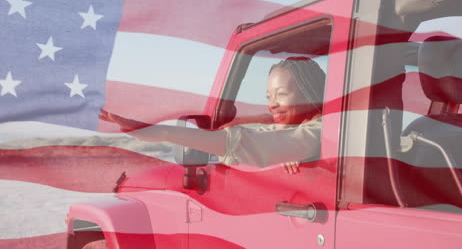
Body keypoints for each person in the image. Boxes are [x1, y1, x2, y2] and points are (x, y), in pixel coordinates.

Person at [100, 57, 326, 174]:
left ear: (310, 93)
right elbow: (265, 136)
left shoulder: (319, 131)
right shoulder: (303, 130)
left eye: (282, 94)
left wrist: (163, 131)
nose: (271, 105)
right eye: (268, 97)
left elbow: (241, 143)